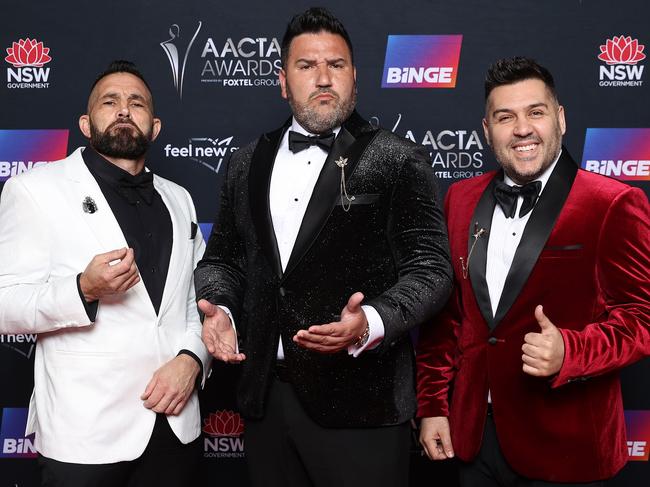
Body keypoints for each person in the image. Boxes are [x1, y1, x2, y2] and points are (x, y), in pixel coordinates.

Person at [194, 7, 452, 486]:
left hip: (362, 404)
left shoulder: (398, 158)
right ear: (282, 80)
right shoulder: (244, 162)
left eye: (335, 65)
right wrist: (222, 311)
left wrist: (370, 321)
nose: (323, 78)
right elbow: (223, 259)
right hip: (266, 401)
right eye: (307, 66)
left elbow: (432, 270)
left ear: (354, 77)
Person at [416, 56, 650, 486]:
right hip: (476, 441)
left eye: (535, 113)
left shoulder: (612, 203)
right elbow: (446, 320)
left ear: (560, 118)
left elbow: (641, 320)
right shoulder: (460, 199)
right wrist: (433, 405)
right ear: (487, 131)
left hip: (567, 445)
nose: (522, 128)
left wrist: (571, 351)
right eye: (505, 117)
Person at [0, 60, 210, 487]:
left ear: (154, 127)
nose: (122, 110)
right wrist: (83, 290)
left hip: (174, 426)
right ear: (85, 122)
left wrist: (192, 359)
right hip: (85, 434)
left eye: (136, 103)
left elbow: (198, 303)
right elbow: (5, 305)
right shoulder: (35, 190)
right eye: (109, 101)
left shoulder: (180, 199)